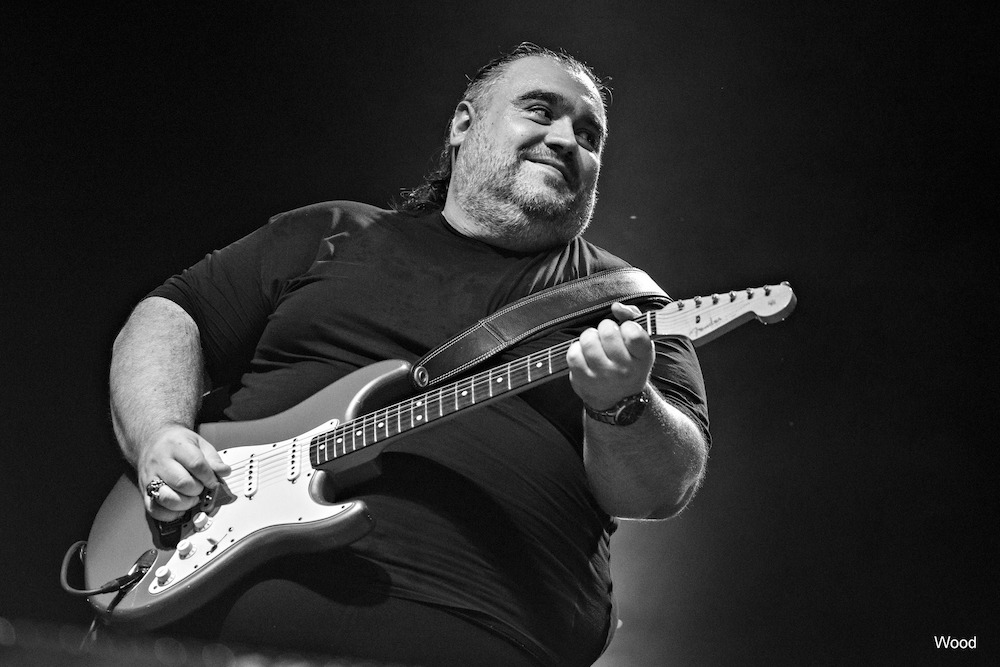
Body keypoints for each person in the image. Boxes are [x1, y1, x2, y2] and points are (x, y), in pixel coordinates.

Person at [108, 43, 710, 666]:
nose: (566, 140)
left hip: (480, 630)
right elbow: (172, 315)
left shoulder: (627, 305)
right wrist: (158, 435)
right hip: (214, 608)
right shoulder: (333, 231)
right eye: (540, 111)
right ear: (463, 124)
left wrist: (622, 405)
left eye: (589, 135)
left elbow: (661, 489)